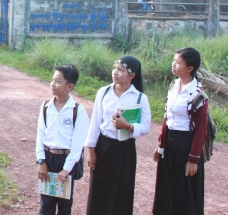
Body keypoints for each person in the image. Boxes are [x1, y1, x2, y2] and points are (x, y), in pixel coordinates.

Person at [84, 55, 151, 215]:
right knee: (99, 190)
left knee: (122, 191)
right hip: (103, 147)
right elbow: (94, 123)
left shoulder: (140, 97)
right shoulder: (104, 92)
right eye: (114, 68)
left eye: (120, 70)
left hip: (125, 150)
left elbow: (146, 127)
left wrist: (128, 126)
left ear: (132, 75)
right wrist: (91, 151)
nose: (115, 72)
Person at [153, 47, 206, 215]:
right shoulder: (174, 86)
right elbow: (166, 118)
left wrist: (193, 160)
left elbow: (201, 130)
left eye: (178, 62)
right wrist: (160, 146)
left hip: (186, 145)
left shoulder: (197, 94)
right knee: (167, 187)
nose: (173, 65)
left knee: (183, 191)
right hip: (170, 143)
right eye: (173, 61)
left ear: (189, 68)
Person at [36, 64, 89, 215]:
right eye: (52, 80)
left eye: (58, 81)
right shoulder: (46, 106)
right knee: (46, 203)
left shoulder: (77, 111)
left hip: (66, 160)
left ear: (70, 86)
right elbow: (40, 135)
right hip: (48, 158)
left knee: (64, 205)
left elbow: (78, 144)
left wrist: (67, 169)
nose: (52, 84)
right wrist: (41, 161)